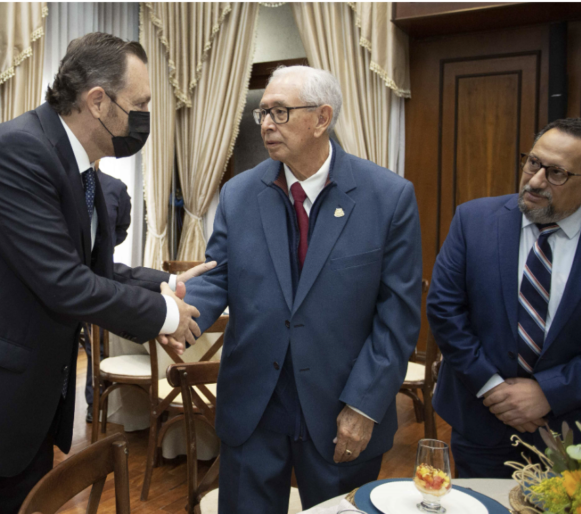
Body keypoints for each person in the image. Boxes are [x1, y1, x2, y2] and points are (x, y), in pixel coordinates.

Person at [0, 32, 212, 514]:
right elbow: (63, 284)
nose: (145, 118)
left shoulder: (82, 170)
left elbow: (86, 269)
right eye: (141, 103)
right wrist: (163, 316)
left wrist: (161, 285)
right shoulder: (19, 150)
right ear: (98, 101)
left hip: (18, 417)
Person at [174, 65, 422, 513]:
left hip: (339, 407)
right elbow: (217, 278)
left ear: (322, 118)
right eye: (263, 113)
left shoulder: (388, 198)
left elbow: (398, 317)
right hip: (254, 405)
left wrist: (364, 407)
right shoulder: (238, 194)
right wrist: (179, 313)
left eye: (280, 112)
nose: (267, 123)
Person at [428, 118, 581, 478]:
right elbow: (445, 310)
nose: (536, 180)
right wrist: (493, 388)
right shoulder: (474, 219)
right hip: (480, 422)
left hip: (571, 433)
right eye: (533, 162)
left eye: (556, 172)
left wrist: (549, 392)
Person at [83, 161, 132, 423]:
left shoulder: (115, 187)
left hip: (100, 277)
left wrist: (102, 248)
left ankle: (96, 403)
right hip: (60, 276)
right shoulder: (63, 181)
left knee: (97, 346)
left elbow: (121, 230)